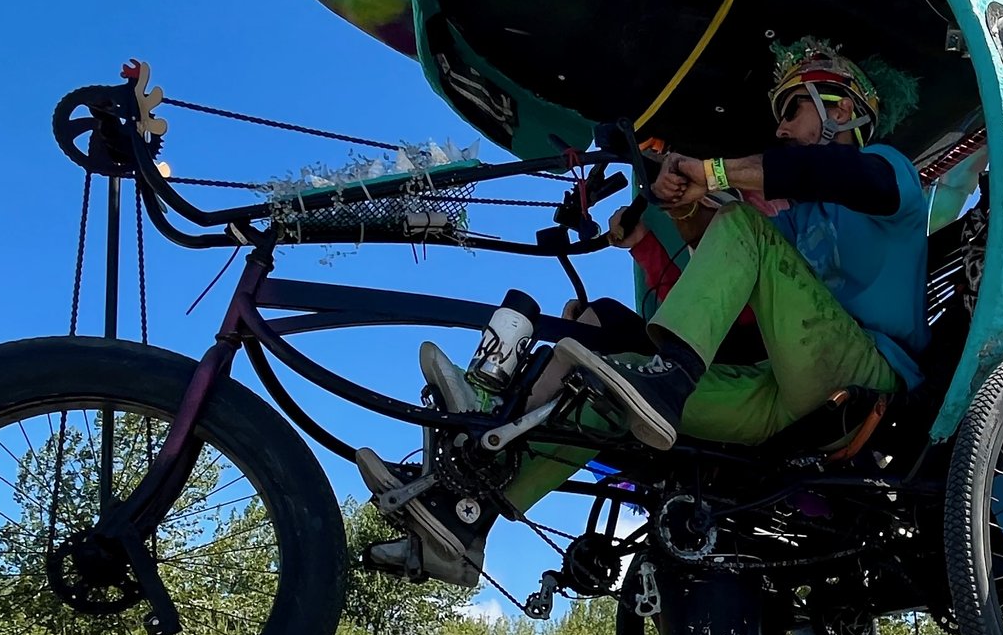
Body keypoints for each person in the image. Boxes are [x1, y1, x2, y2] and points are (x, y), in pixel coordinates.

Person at [359, 37, 929, 587]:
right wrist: (681, 211)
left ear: (843, 108)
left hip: (866, 376)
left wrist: (715, 173)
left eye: (793, 110)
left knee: (739, 232)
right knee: (598, 394)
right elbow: (724, 245)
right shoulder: (799, 225)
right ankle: (461, 519)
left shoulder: (886, 171)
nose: (780, 128)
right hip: (781, 393)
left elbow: (822, 176)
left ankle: (671, 377)